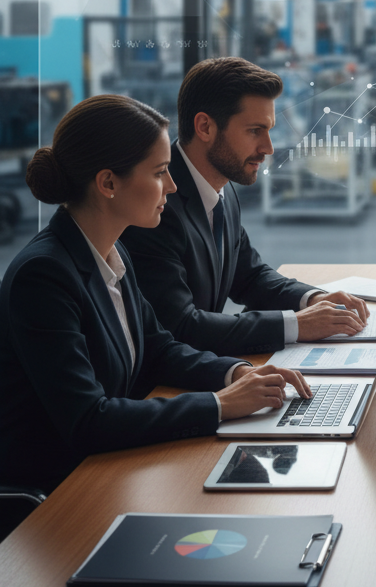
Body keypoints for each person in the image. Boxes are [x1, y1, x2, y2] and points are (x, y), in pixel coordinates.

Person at [0, 95, 313, 499]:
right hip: (58, 494)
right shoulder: (43, 276)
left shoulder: (111, 250)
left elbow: (158, 346)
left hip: (112, 468)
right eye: (160, 172)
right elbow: (88, 419)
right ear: (108, 183)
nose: (172, 185)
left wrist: (235, 374)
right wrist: (220, 405)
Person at [121, 57, 369, 358]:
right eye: (255, 131)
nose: (268, 147)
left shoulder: (220, 185)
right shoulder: (155, 206)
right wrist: (295, 325)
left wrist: (313, 299)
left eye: (269, 130)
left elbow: (249, 275)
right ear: (205, 127)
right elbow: (180, 326)